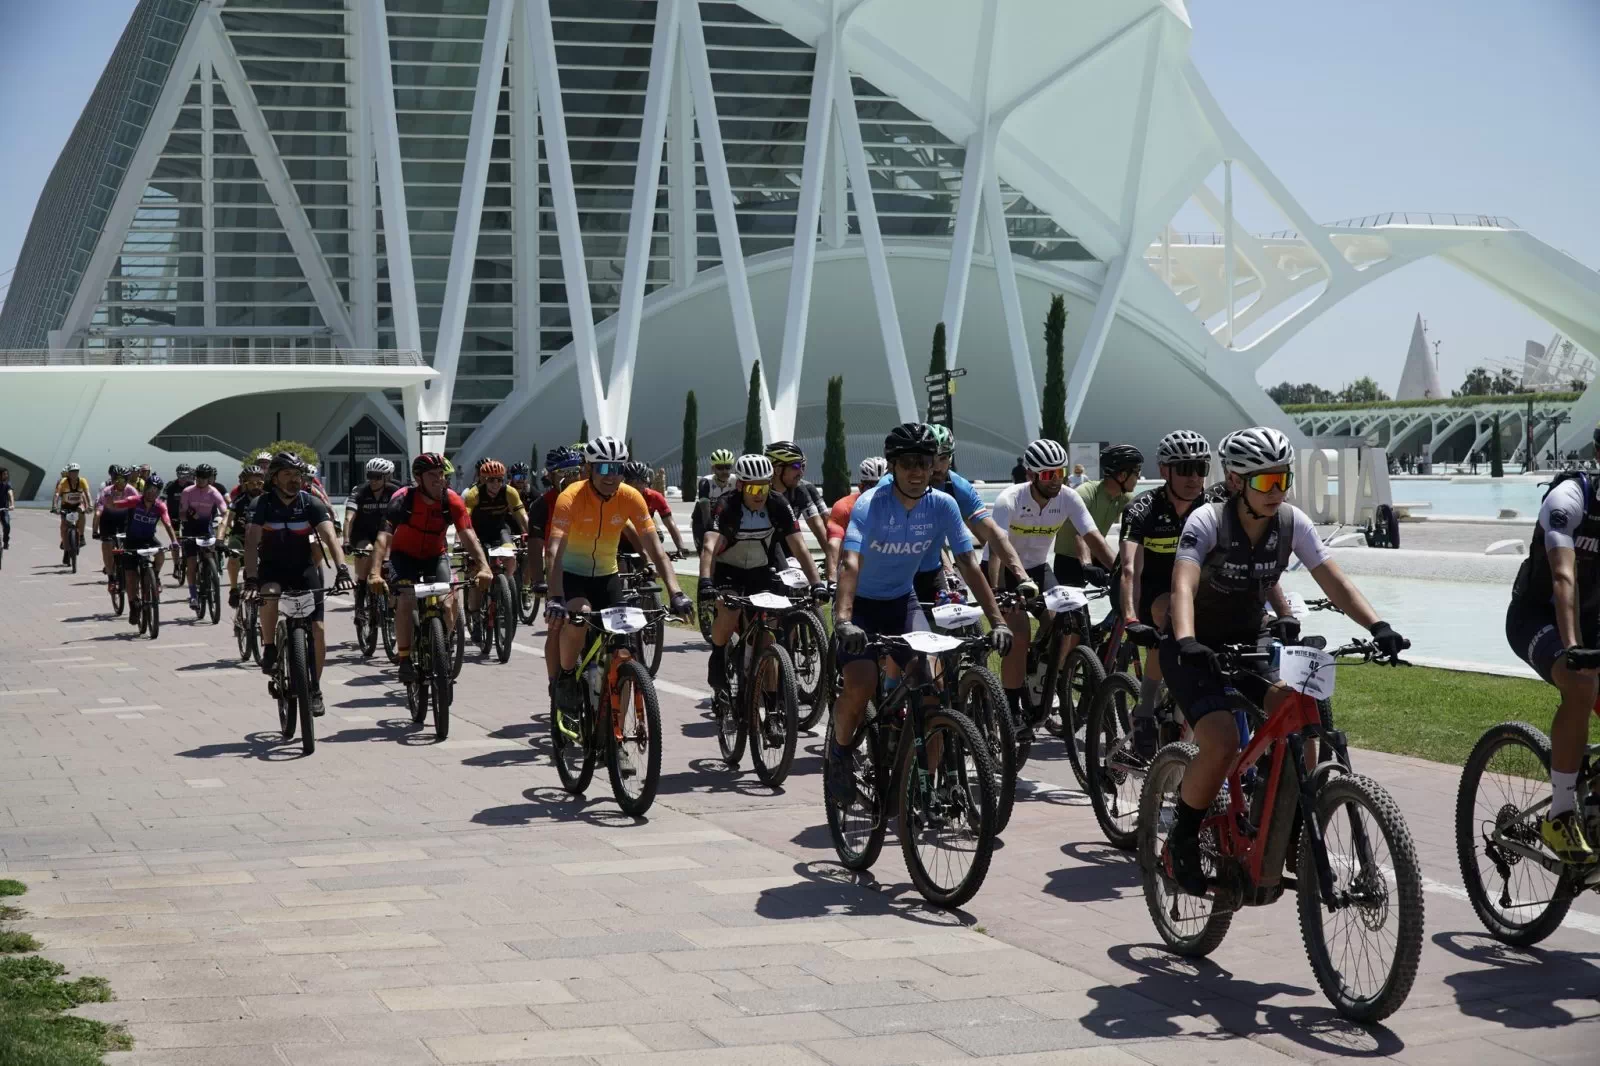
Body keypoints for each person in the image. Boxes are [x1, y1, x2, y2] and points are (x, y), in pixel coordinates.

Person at [1161, 427, 1406, 895]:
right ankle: (1184, 835)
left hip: (1250, 641)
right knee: (1221, 739)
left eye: (1283, 479)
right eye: (1265, 482)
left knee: (1298, 719)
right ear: (1235, 481)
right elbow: (1184, 584)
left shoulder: (1293, 523)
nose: (1278, 492)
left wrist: (1377, 625)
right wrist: (1188, 638)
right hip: (1194, 646)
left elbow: (1332, 578)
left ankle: (1288, 825)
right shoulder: (1207, 522)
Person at [828, 423, 1011, 805]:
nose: (917, 470)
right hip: (860, 606)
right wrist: (843, 620)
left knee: (929, 692)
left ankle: (923, 784)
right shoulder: (870, 504)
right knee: (860, 683)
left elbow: (968, 563)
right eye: (908, 462)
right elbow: (849, 563)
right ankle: (840, 755)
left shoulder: (942, 505)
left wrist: (998, 621)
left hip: (901, 602)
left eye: (925, 463)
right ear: (893, 466)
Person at [1504, 426, 1600, 865]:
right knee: (1580, 683)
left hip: (1593, 621)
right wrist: (1573, 646)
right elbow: (1564, 578)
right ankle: (1561, 812)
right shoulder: (1567, 501)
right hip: (1538, 618)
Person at [545, 437, 693, 714]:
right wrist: (554, 597)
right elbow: (553, 550)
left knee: (624, 654)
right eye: (603, 469)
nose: (611, 476)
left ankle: (617, 739)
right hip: (572, 575)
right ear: (588, 470)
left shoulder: (630, 497)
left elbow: (657, 551)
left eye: (617, 468)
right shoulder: (571, 497)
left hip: (607, 577)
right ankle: (565, 677)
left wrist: (676, 592)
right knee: (579, 617)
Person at [988, 439, 1118, 733]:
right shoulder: (1009, 499)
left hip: (1037, 569)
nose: (1055, 480)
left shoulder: (1068, 497)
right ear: (1032, 475)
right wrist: (997, 593)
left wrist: (1122, 572)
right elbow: (996, 549)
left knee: (1066, 624)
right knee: (1019, 634)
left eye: (1059, 472)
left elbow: (1094, 537)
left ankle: (1042, 671)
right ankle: (1010, 711)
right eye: (1048, 475)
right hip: (1003, 570)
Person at [1118, 431, 1230, 757]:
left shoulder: (1211, 507)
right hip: (1145, 586)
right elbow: (1129, 569)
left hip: (1187, 586)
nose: (1194, 477)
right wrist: (1129, 617)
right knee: (1169, 618)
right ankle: (1144, 707)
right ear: (1165, 470)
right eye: (1184, 468)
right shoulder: (1143, 508)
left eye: (1200, 468)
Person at [700, 453, 828, 689]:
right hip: (728, 571)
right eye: (754, 490)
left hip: (760, 570)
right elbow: (709, 547)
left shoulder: (777, 503)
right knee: (729, 613)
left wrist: (817, 583)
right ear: (740, 486)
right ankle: (718, 655)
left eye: (765, 488)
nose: (760, 495)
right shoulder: (726, 505)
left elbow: (799, 546)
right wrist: (705, 582)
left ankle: (769, 701)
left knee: (768, 633)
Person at [366, 453, 492, 685]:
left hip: (436, 556)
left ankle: (444, 641)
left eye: (441, 475)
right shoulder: (402, 499)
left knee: (449, 599)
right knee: (405, 598)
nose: (439, 480)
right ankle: (404, 659)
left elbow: (469, 537)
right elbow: (383, 538)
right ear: (418, 478)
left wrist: (484, 567)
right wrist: (374, 572)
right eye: (432, 475)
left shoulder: (451, 500)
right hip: (404, 557)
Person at [242, 453, 353, 717]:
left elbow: (330, 537)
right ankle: (269, 647)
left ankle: (314, 688)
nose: (295, 480)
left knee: (318, 628)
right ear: (275, 477)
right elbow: (250, 542)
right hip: (272, 568)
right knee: (269, 594)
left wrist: (342, 569)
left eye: (298, 475)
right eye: (288, 475)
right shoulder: (262, 504)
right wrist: (251, 578)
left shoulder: (310, 503)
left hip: (304, 570)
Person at [921, 424, 1029, 601]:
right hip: (899, 561)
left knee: (960, 609)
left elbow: (991, 533)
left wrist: (1022, 577)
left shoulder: (958, 487)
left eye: (944, 458)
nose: (938, 467)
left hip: (933, 563)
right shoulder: (900, 484)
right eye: (931, 459)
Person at [528, 446, 585, 685]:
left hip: (591, 566)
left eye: (576, 471)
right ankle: (556, 684)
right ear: (551, 475)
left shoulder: (589, 497)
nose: (571, 477)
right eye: (564, 472)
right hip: (558, 570)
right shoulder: (542, 505)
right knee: (556, 624)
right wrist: (538, 581)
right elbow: (534, 546)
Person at [1053, 444, 1142, 588]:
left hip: (1096, 555)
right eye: (1137, 472)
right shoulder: (1086, 493)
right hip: (1069, 560)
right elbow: (1080, 534)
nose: (1138, 477)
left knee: (1128, 586)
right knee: (1076, 610)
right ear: (1122, 475)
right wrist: (1087, 564)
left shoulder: (1124, 498)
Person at [461, 458, 530, 619]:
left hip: (500, 530)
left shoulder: (509, 492)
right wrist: (466, 540)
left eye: (499, 479)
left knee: (511, 557)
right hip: (478, 533)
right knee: (477, 575)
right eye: (491, 480)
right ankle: (475, 614)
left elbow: (522, 517)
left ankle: (504, 587)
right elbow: (465, 521)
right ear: (484, 480)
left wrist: (531, 534)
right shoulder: (474, 494)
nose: (496, 484)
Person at [116, 476, 179, 625]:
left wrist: (174, 541)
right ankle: (133, 606)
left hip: (149, 539)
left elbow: (168, 524)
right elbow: (117, 504)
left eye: (156, 491)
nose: (152, 493)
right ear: (145, 489)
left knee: (161, 552)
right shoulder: (135, 501)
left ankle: (155, 576)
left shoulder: (160, 506)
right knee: (131, 578)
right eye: (150, 489)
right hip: (131, 541)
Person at [344, 458, 399, 628]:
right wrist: (346, 540)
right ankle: (360, 605)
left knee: (389, 564)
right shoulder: (360, 491)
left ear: (386, 477)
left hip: (385, 534)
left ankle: (390, 604)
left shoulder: (395, 491)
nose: (373, 480)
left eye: (377, 476)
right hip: (362, 533)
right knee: (366, 553)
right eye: (370, 476)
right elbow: (349, 518)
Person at [177, 464, 228, 612]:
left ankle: (211, 572)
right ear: (195, 477)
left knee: (209, 553)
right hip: (190, 528)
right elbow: (181, 513)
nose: (201, 481)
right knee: (191, 563)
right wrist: (187, 517)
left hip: (206, 528)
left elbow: (224, 509)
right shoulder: (187, 492)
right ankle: (193, 595)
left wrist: (225, 519)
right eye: (198, 478)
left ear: (209, 479)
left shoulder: (213, 492)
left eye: (204, 478)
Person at [825, 457, 887, 574]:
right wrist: (832, 581)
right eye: (871, 487)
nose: (877, 493)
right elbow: (834, 544)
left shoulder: (902, 506)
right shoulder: (844, 507)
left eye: (882, 487)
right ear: (860, 487)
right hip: (855, 566)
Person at [220, 465, 266, 608]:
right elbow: (226, 519)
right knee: (233, 556)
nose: (255, 486)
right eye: (251, 483)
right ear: (245, 484)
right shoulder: (239, 500)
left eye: (259, 483)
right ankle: (234, 589)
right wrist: (219, 539)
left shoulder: (269, 499)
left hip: (263, 537)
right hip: (240, 536)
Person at [625, 462, 687, 559]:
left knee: (657, 563)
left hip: (645, 536)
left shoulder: (655, 497)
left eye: (641, 481)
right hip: (621, 538)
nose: (637, 485)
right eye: (632, 482)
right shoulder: (615, 496)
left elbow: (670, 524)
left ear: (646, 482)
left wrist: (681, 547)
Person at [94, 466, 141, 589]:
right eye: (117, 480)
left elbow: (139, 507)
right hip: (107, 520)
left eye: (123, 480)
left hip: (124, 520)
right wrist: (95, 530)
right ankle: (111, 578)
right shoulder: (107, 491)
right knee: (107, 546)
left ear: (127, 480)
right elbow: (98, 511)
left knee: (131, 545)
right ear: (113, 479)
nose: (119, 483)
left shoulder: (131, 490)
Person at [692, 448, 739, 556]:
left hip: (722, 516)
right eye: (720, 468)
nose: (724, 471)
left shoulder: (735, 480)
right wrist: (709, 531)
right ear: (713, 468)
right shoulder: (706, 482)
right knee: (706, 551)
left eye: (728, 467)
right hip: (702, 517)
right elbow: (705, 512)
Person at [53, 463, 91, 561]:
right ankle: (66, 550)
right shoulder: (62, 482)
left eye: (76, 472)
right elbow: (57, 495)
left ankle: (81, 536)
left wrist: (89, 506)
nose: (74, 475)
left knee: (81, 512)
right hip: (66, 505)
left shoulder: (82, 481)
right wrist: (55, 507)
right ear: (68, 474)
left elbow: (86, 494)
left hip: (78, 504)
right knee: (64, 527)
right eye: (72, 473)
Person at [164, 464, 195, 578]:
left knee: (190, 539)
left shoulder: (192, 485)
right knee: (176, 542)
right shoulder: (171, 485)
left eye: (186, 475)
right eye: (180, 475)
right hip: (174, 517)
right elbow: (162, 498)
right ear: (177, 475)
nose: (183, 478)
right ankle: (176, 565)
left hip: (188, 517)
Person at [0, 467, 12, 550]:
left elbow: (10, 494)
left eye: (6, 474)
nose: (6, 476)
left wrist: (12, 504)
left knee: (7, 526)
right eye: (4, 474)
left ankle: (6, 541)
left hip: (4, 509)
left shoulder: (7, 484)